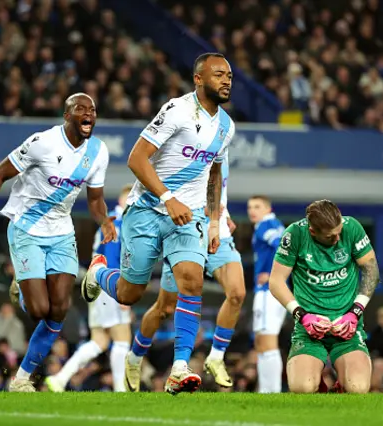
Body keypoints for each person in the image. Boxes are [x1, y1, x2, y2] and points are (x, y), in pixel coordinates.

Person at [81, 52, 235, 395]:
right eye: (219, 74)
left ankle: (180, 366)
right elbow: (136, 158)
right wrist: (168, 197)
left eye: (229, 76)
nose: (226, 80)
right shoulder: (176, 110)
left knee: (192, 282)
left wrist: (213, 220)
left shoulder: (227, 126)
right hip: (148, 209)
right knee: (129, 294)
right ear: (198, 78)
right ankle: (98, 273)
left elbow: (214, 171)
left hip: (190, 214)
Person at [0, 93, 115, 392]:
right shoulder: (42, 142)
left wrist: (105, 221)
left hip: (61, 233)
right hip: (26, 230)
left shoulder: (98, 151)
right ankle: (20, 283)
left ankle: (22, 379)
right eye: (80, 109)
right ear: (66, 115)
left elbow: (95, 200)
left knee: (58, 310)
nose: (88, 114)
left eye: (93, 110)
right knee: (38, 310)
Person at [124, 155, 245, 391]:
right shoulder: (185, 142)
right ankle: (135, 358)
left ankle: (215, 357)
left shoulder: (220, 138)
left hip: (216, 231)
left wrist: (221, 217)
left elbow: (216, 185)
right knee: (164, 309)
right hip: (186, 230)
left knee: (237, 293)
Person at [268, 200, 379, 393]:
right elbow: (276, 282)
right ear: (313, 232)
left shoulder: (351, 228)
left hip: (347, 328)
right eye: (330, 236)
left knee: (358, 388)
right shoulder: (295, 235)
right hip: (309, 329)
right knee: (303, 388)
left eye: (339, 231)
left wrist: (355, 313)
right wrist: (302, 316)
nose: (337, 238)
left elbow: (372, 272)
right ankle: (317, 384)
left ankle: (342, 385)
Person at [45, 185, 133, 392]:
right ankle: (120, 391)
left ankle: (60, 378)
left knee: (99, 341)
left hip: (96, 282)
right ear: (123, 201)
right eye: (133, 199)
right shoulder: (117, 223)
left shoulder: (111, 221)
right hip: (109, 283)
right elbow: (111, 259)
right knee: (122, 338)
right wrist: (121, 291)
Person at [247, 195, 287, 393]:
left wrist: (273, 274)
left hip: (268, 292)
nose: (252, 210)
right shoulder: (274, 224)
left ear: (267, 208)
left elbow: (282, 245)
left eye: (257, 206)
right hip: (272, 291)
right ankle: (266, 390)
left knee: (268, 341)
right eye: (249, 207)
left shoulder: (266, 225)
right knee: (262, 341)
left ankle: (272, 391)